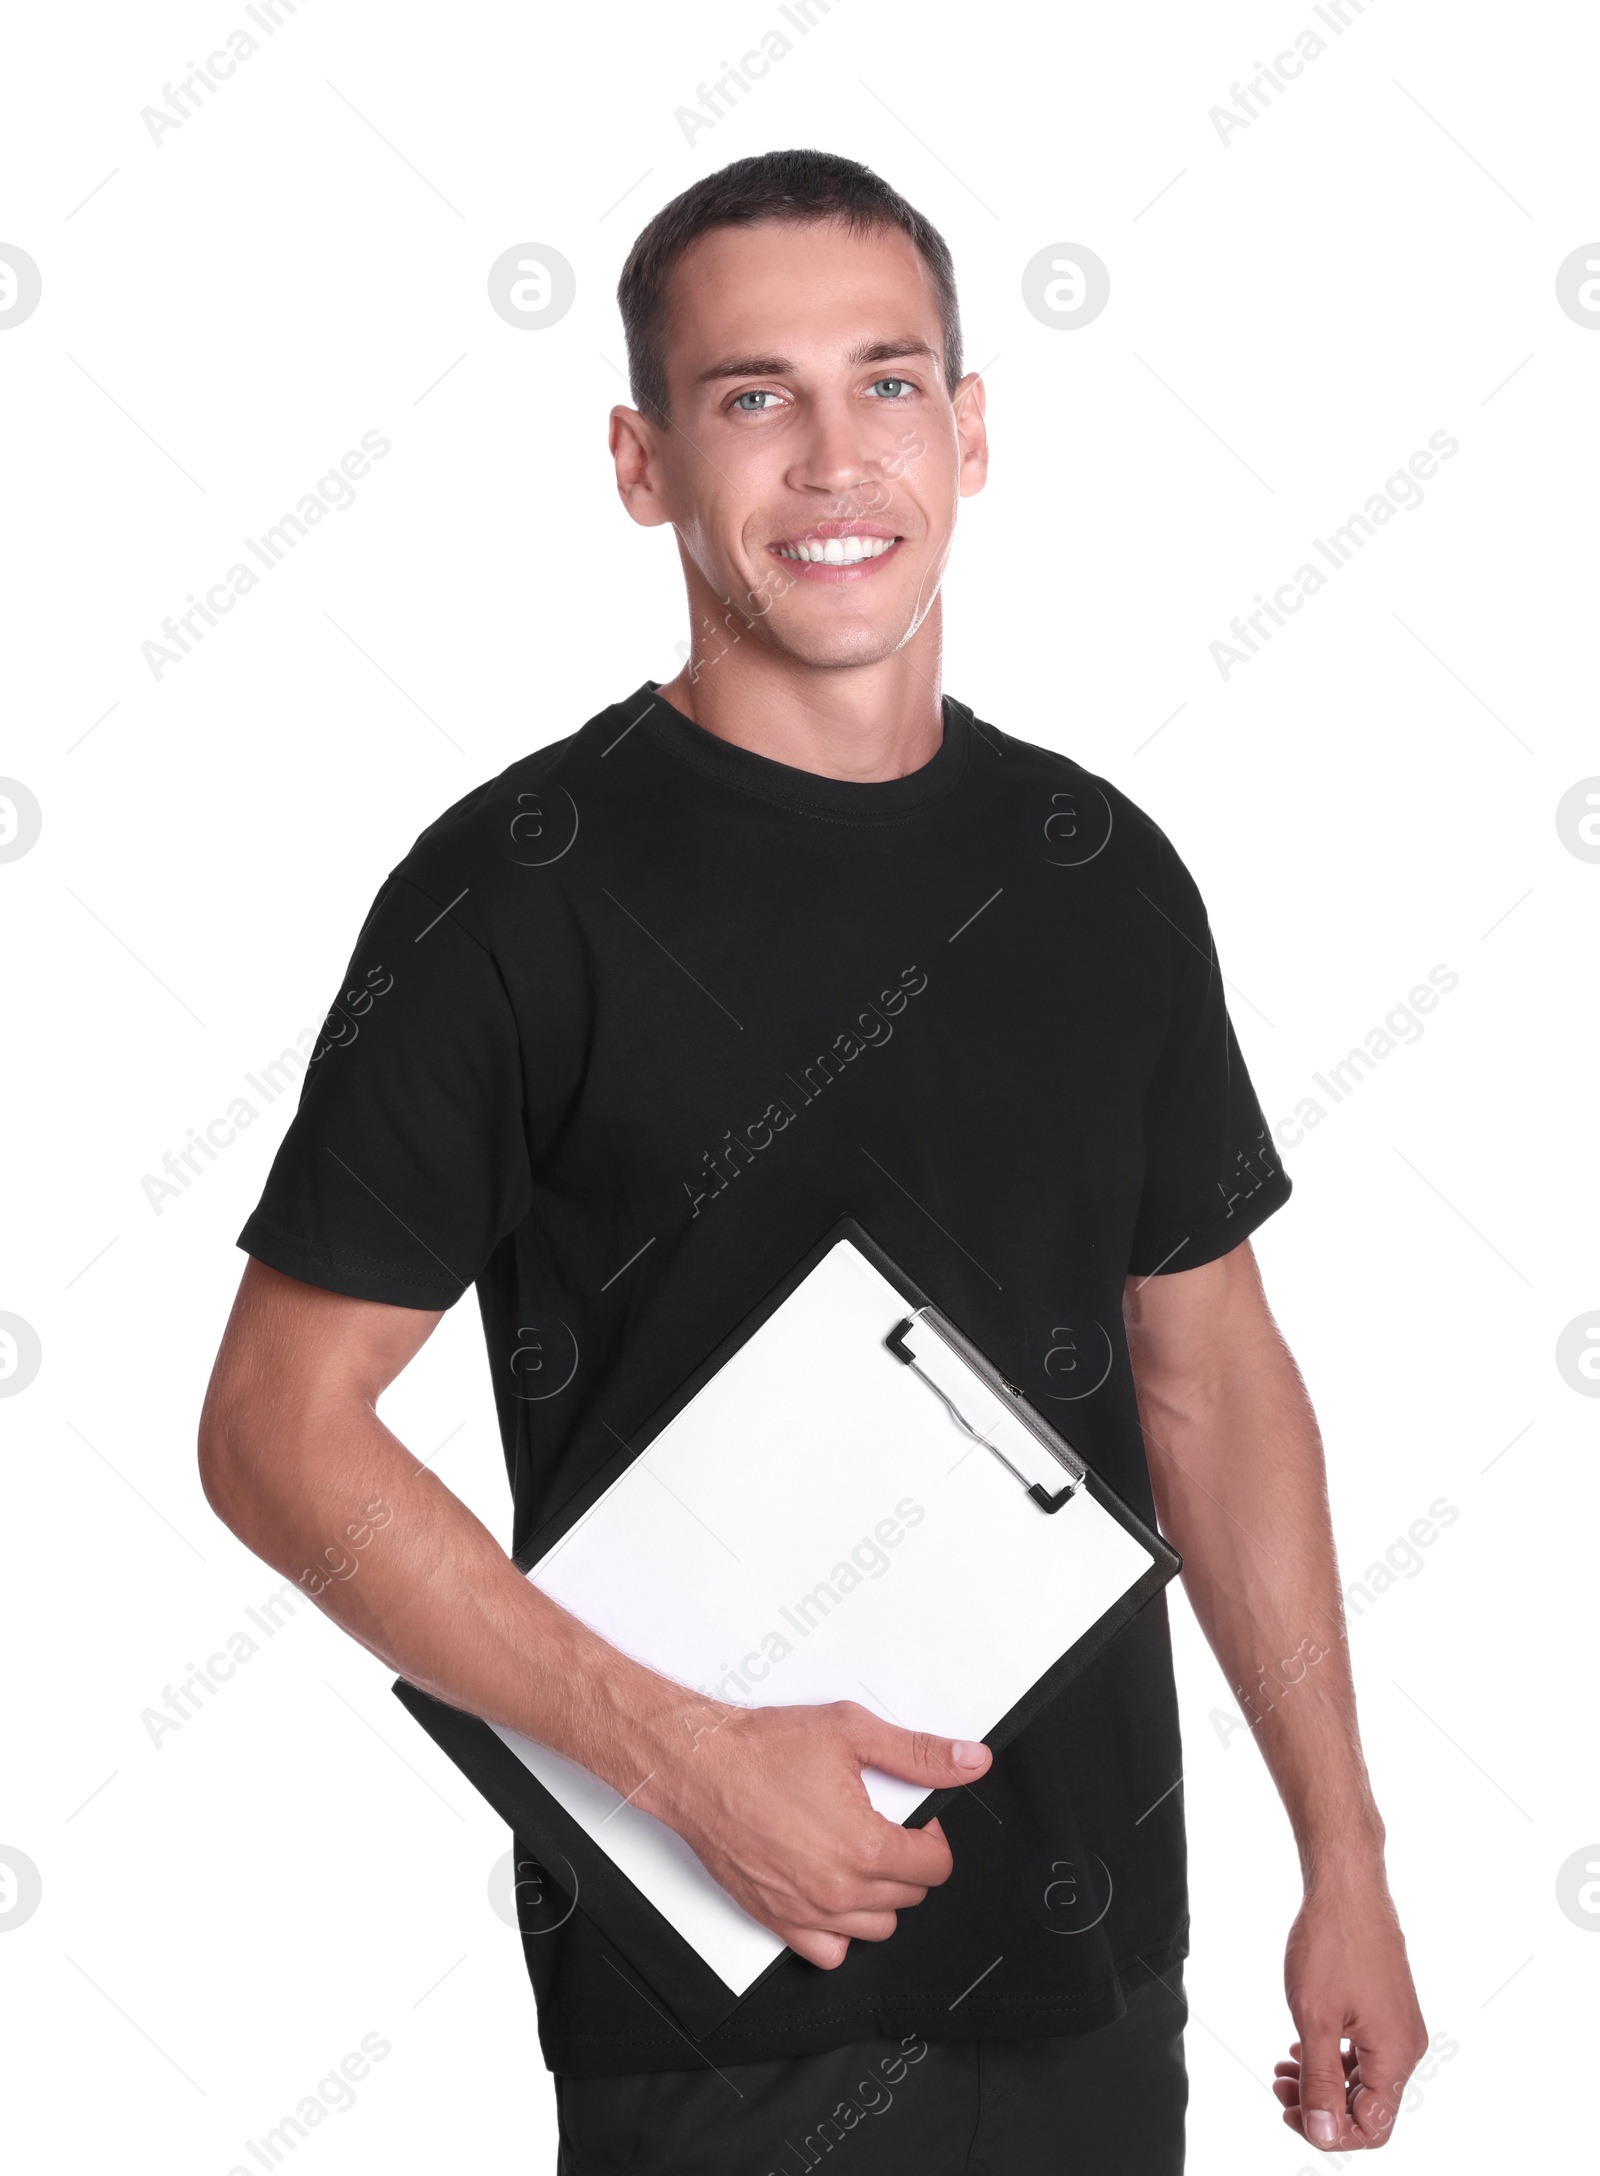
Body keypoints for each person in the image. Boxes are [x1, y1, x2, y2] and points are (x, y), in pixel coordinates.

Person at [198, 149, 1426, 2173]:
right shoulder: (516, 895)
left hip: (1100, 1965)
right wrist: (678, 1757)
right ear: (639, 461)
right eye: (751, 397)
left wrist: (1342, 1851)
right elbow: (269, 1430)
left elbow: (1210, 1383)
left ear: (967, 429)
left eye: (885, 382)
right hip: (720, 1998)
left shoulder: (1094, 873)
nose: (834, 457)